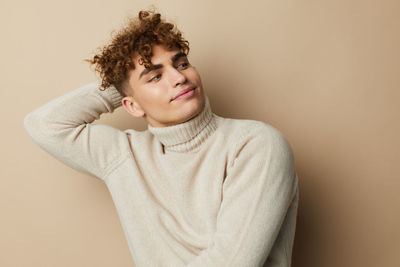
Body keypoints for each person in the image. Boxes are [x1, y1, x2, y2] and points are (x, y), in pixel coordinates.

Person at [23, 9, 299, 267]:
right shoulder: (124, 156)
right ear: (130, 106)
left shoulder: (256, 144)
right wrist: (122, 82)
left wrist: (143, 84)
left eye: (181, 63)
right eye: (155, 76)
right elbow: (43, 124)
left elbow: (231, 262)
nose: (179, 77)